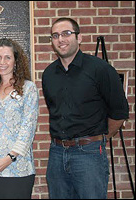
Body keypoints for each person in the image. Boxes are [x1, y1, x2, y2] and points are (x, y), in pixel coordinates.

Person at [42, 17, 129, 199]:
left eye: (66, 33)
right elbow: (54, 110)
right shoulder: (49, 74)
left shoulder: (101, 69)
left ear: (79, 38)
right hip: (57, 153)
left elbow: (119, 112)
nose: (61, 39)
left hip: (89, 154)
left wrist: (100, 138)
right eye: (55, 35)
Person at [0, 38, 39, 199]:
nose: (2, 62)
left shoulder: (28, 88)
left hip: (17, 168)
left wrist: (9, 158)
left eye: (7, 57)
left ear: (16, 61)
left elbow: (28, 129)